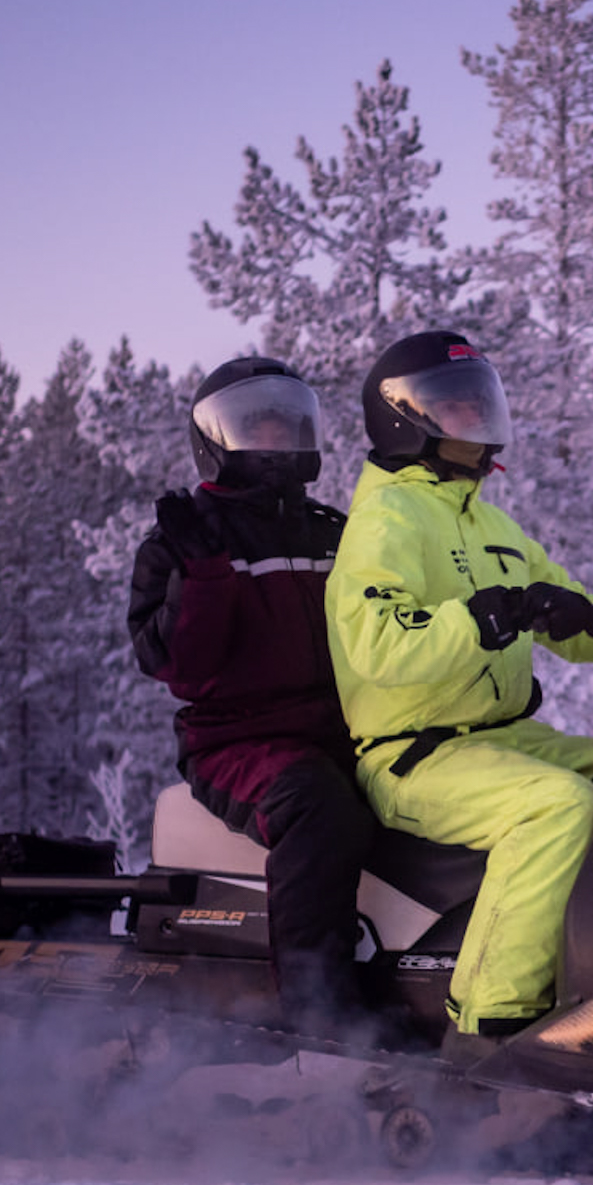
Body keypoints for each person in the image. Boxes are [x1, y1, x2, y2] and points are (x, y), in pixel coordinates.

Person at [326, 330, 593, 1055]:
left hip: (501, 738)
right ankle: (489, 1022)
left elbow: (566, 613)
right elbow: (375, 642)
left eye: (477, 404)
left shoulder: (491, 522)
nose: (473, 420)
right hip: (417, 754)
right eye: (454, 407)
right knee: (556, 806)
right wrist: (482, 617)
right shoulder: (386, 519)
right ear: (407, 418)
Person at [128, 355, 384, 1036]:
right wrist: (205, 572)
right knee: (318, 807)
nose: (273, 443)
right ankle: (319, 1011)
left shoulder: (334, 532)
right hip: (235, 740)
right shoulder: (180, 540)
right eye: (256, 429)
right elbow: (180, 665)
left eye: (284, 427)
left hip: (345, 730)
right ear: (218, 440)